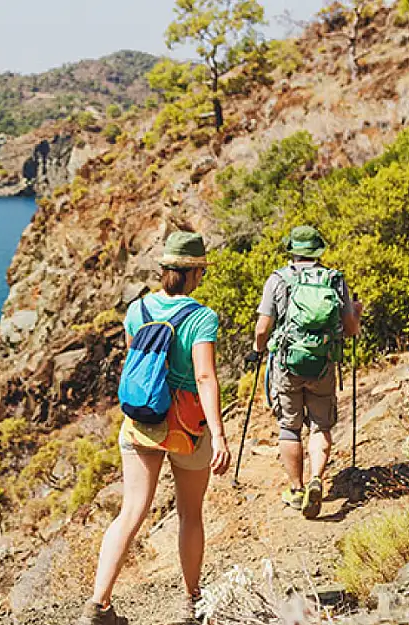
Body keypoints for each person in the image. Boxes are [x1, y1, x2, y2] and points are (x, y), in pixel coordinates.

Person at [76, 232, 231, 625]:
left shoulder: (137, 309)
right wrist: (220, 434)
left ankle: (99, 604)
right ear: (196, 273)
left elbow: (137, 361)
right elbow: (205, 376)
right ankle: (191, 604)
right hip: (186, 428)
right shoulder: (202, 317)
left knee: (130, 511)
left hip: (142, 422)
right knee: (189, 515)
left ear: (164, 271)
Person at [247, 225, 361, 519]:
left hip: (287, 363)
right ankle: (316, 480)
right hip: (323, 362)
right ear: (318, 252)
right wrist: (356, 312)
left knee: (289, 427)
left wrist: (257, 351)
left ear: (293, 251)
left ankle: (297, 490)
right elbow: (350, 329)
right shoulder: (335, 280)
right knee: (320, 426)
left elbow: (262, 328)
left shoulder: (278, 279)